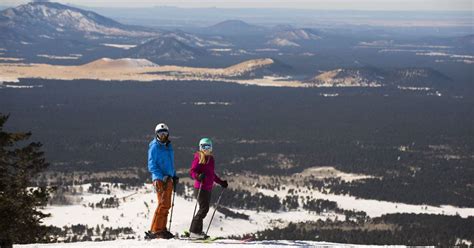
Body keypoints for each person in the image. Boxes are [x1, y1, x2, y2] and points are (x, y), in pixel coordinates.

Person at [189, 138, 228, 239]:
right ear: (200, 147)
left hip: (207, 188)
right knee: (204, 209)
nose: (206, 149)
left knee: (203, 209)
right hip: (200, 188)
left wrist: (221, 182)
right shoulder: (199, 157)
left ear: (211, 148)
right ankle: (194, 232)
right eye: (204, 147)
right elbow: (192, 171)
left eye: (208, 147)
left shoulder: (211, 159)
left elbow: (212, 175)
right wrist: (198, 176)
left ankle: (198, 231)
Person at [146, 123, 179, 239]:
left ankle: (162, 229)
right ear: (156, 135)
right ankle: (156, 230)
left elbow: (170, 164)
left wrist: (174, 175)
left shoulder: (168, 146)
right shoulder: (154, 147)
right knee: (163, 204)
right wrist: (161, 177)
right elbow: (151, 165)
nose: (163, 136)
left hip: (168, 178)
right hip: (160, 179)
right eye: (160, 134)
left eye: (165, 133)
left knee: (167, 205)